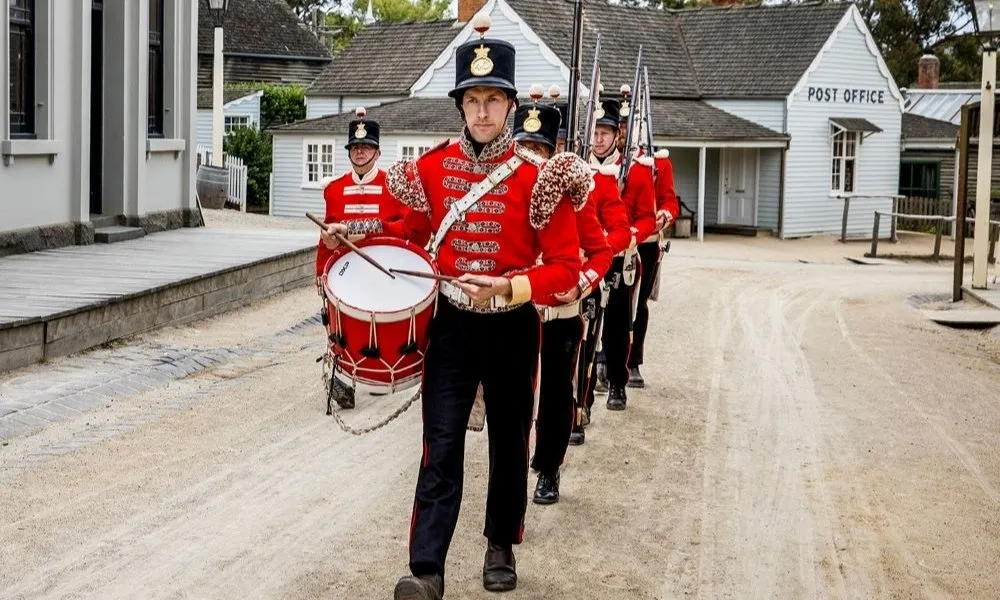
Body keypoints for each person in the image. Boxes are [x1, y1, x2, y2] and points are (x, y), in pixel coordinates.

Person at [385, 17, 588, 600]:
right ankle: (427, 569)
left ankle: (501, 543)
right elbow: (405, 236)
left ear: (510, 105)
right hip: (451, 327)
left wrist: (509, 287)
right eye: (472, 100)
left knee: (508, 443)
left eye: (492, 99)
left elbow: (566, 269)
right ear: (460, 106)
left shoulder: (540, 179)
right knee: (440, 445)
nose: (481, 111)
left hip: (512, 327)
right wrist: (360, 238)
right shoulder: (430, 170)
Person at [511, 87, 611, 505]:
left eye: (539, 148)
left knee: (555, 395)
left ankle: (548, 467)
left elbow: (601, 251)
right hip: (517, 311)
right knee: (515, 397)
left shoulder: (572, 196)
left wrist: (581, 283)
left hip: (560, 312)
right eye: (524, 147)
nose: (530, 155)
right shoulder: (507, 192)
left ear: (553, 152)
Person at [316, 107, 413, 409]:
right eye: (355, 147)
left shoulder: (392, 186)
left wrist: (367, 231)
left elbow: (405, 228)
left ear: (378, 152)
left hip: (382, 267)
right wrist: (320, 271)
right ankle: (342, 378)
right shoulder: (334, 190)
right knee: (340, 325)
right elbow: (325, 233)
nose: (360, 152)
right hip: (345, 271)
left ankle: (379, 371)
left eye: (366, 147)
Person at [587, 94, 656, 411]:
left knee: (617, 325)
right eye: (595, 131)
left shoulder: (637, 171)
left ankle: (618, 382)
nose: (599, 139)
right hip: (587, 259)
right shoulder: (579, 167)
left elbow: (648, 219)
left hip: (619, 257)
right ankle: (584, 394)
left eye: (605, 132)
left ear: (617, 135)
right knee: (586, 329)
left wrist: (629, 237)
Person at [627, 147, 678, 388]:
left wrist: (664, 216)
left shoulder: (658, 162)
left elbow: (669, 201)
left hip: (646, 242)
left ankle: (632, 361)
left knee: (638, 303)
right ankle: (604, 359)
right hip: (611, 242)